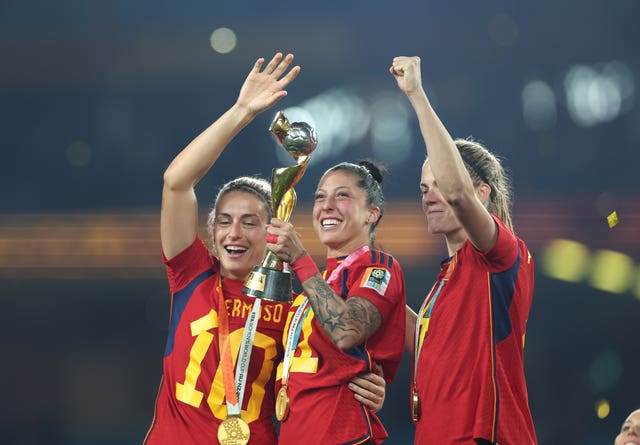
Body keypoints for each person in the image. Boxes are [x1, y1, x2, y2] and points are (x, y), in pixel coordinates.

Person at [143, 53, 386, 445]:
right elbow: (176, 182)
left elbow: (336, 371)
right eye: (224, 221)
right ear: (211, 230)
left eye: (249, 222)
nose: (233, 233)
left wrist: (370, 386)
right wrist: (242, 110)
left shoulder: (298, 311)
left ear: (274, 230)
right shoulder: (191, 276)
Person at [390, 55, 537, 445]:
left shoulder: (501, 256)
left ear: (481, 193)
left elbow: (457, 193)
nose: (430, 196)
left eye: (437, 183)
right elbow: (426, 343)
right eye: (423, 189)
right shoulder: (446, 277)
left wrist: (417, 96)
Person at [265, 160, 407, 444]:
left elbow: (346, 331)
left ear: (371, 213)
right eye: (320, 196)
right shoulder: (316, 287)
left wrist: (299, 259)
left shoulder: (378, 268)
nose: (327, 205)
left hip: (343, 436)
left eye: (342, 195)